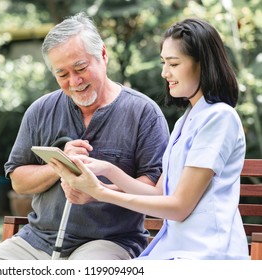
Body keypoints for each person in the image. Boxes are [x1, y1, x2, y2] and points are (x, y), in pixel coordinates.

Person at [49, 18, 249, 260]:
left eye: (174, 63)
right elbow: (158, 193)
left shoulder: (219, 118)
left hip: (207, 256)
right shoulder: (188, 120)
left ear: (203, 64)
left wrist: (101, 193)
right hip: (178, 251)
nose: (165, 73)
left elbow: (178, 207)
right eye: (164, 62)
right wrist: (106, 172)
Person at [0, 12, 169, 260]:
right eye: (62, 75)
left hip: (109, 242)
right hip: (37, 240)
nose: (74, 81)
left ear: (103, 55)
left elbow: (154, 188)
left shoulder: (143, 113)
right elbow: (18, 180)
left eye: (80, 68)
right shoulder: (40, 111)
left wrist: (99, 190)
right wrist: (58, 166)